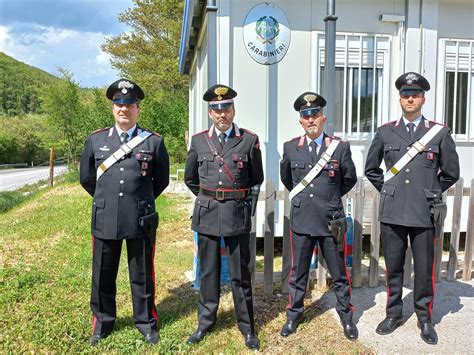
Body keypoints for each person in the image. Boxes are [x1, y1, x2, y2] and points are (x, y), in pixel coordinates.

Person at [365, 72, 460, 345]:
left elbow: (451, 172)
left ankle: (425, 318)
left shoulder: (439, 133)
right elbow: (372, 169)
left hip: (423, 212)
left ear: (423, 98)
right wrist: (389, 189)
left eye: (415, 95)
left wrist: (431, 191)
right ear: (400, 99)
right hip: (393, 211)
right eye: (406, 95)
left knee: (425, 268)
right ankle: (393, 313)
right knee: (393, 266)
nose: (410, 99)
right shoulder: (385, 131)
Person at [80, 78, 170, 346]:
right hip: (105, 216)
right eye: (119, 104)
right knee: (102, 274)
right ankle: (103, 323)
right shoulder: (96, 140)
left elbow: (161, 180)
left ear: (137, 109)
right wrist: (107, 200)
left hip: (140, 218)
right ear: (113, 109)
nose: (124, 109)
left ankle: (145, 323)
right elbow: (87, 179)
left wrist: (139, 200)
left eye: (129, 104)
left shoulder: (153, 142)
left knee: (141, 274)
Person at [184, 84, 264, 350]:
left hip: (236, 214)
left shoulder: (248, 140)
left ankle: (247, 327)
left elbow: (256, 177)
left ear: (233, 109)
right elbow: (191, 179)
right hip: (207, 214)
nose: (222, 114)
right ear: (210, 112)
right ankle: (205, 323)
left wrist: (231, 198)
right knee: (208, 272)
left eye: (226, 108)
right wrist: (209, 197)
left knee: (241, 274)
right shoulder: (198, 141)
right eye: (217, 109)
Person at [279, 92, 358, 340]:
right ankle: (294, 315)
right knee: (298, 273)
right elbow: (288, 179)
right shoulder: (291, 147)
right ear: (300, 121)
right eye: (306, 115)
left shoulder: (340, 147)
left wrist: (329, 200)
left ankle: (346, 317)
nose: (311, 119)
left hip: (331, 221)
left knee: (340, 274)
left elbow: (348, 179)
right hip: (302, 221)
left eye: (315, 114)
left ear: (323, 118)